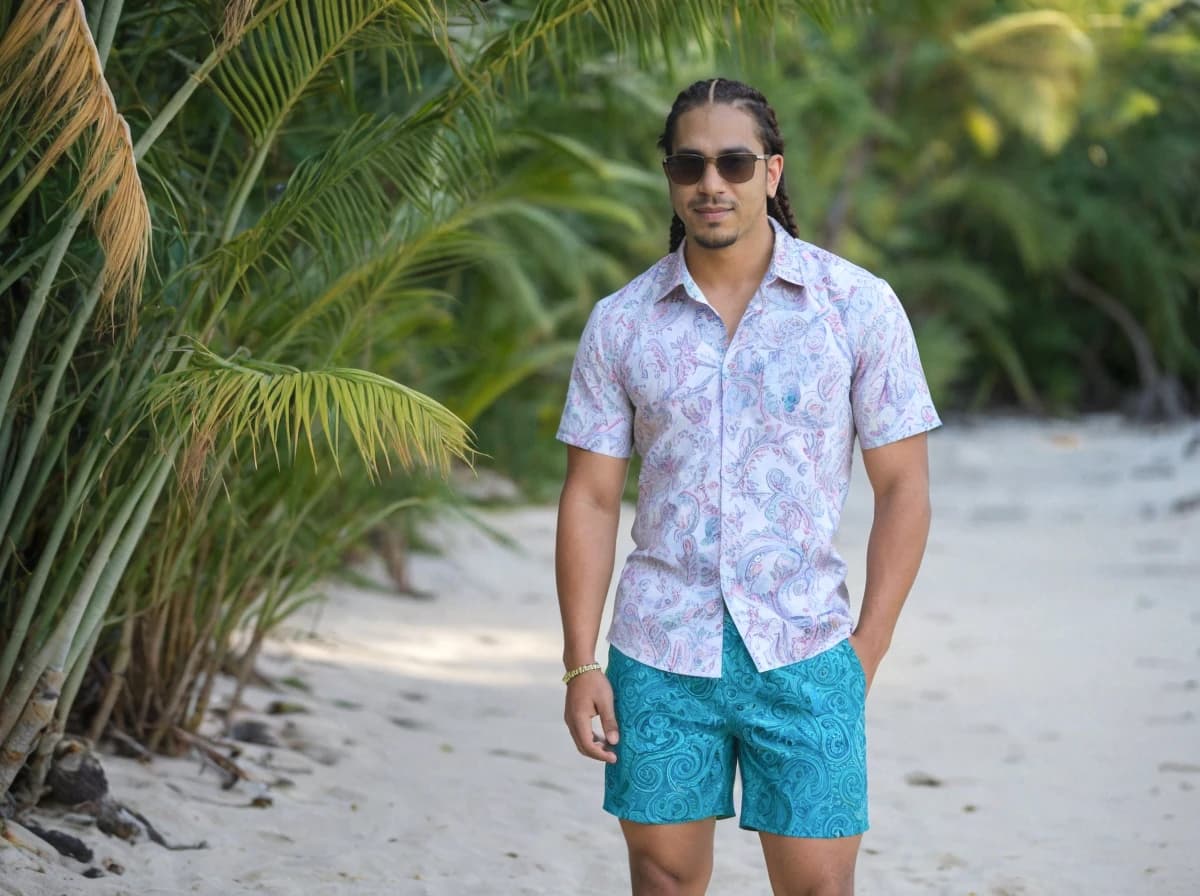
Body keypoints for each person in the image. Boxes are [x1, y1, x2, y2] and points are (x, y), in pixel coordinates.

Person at [554, 77, 941, 896]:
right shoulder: (621, 323)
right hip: (660, 654)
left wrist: (863, 651)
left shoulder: (857, 309)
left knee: (819, 891)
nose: (711, 183)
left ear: (772, 171)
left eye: (733, 162)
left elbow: (903, 488)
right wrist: (578, 663)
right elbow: (589, 497)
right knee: (662, 881)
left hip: (806, 647)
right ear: (670, 177)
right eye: (689, 165)